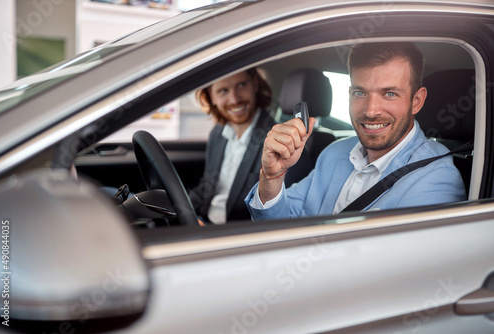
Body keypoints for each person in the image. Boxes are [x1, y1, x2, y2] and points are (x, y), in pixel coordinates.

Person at [245, 42, 466, 220]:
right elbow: (280, 223)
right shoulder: (334, 154)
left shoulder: (436, 178)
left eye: (389, 94)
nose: (370, 111)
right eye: (360, 93)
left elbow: (399, 269)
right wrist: (272, 178)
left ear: (416, 101)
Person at [189, 68, 312, 224]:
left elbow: (282, 217)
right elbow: (207, 185)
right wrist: (181, 211)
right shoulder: (217, 134)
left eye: (241, 85)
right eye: (223, 91)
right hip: (204, 223)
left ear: (255, 84)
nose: (234, 99)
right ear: (211, 97)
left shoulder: (283, 144)